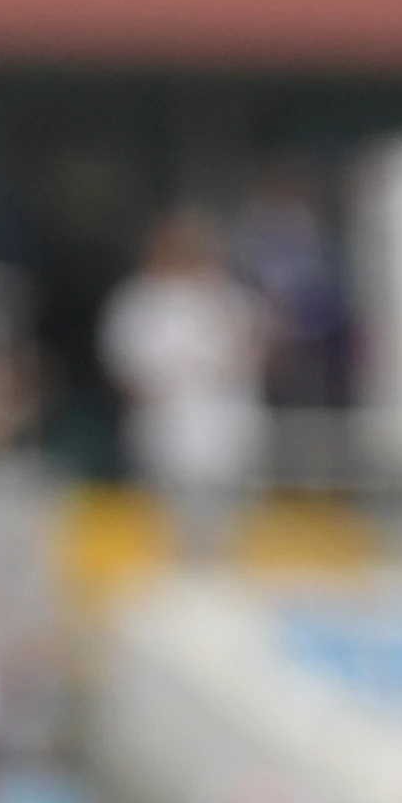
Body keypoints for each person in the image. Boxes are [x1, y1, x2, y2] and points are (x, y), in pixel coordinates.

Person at [102, 214, 270, 558]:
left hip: (227, 430)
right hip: (165, 432)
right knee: (166, 527)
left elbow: (253, 352)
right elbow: (126, 372)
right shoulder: (140, 303)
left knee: (230, 526)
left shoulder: (228, 298)